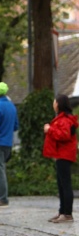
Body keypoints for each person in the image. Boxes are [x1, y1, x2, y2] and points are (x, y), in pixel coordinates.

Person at [43, 94, 78, 223]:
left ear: (59, 104)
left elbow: (64, 135)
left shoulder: (64, 119)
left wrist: (50, 129)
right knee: (61, 185)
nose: (53, 104)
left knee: (65, 185)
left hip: (64, 154)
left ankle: (67, 213)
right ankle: (62, 211)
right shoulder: (62, 118)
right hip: (60, 154)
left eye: (54, 102)